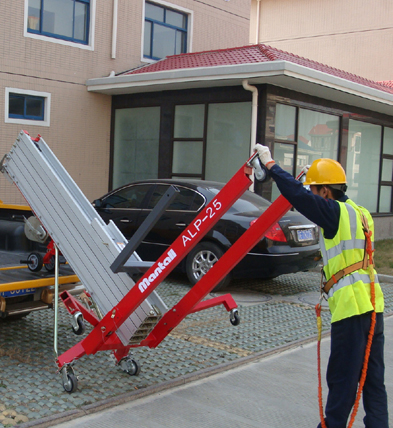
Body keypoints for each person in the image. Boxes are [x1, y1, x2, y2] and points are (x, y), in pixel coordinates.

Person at [253, 144, 388, 428]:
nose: (313, 196)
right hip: (374, 308)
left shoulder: (334, 213)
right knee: (373, 380)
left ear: (325, 191)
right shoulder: (361, 212)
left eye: (315, 190)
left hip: (351, 310)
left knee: (342, 380)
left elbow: (298, 196)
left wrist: (270, 165)